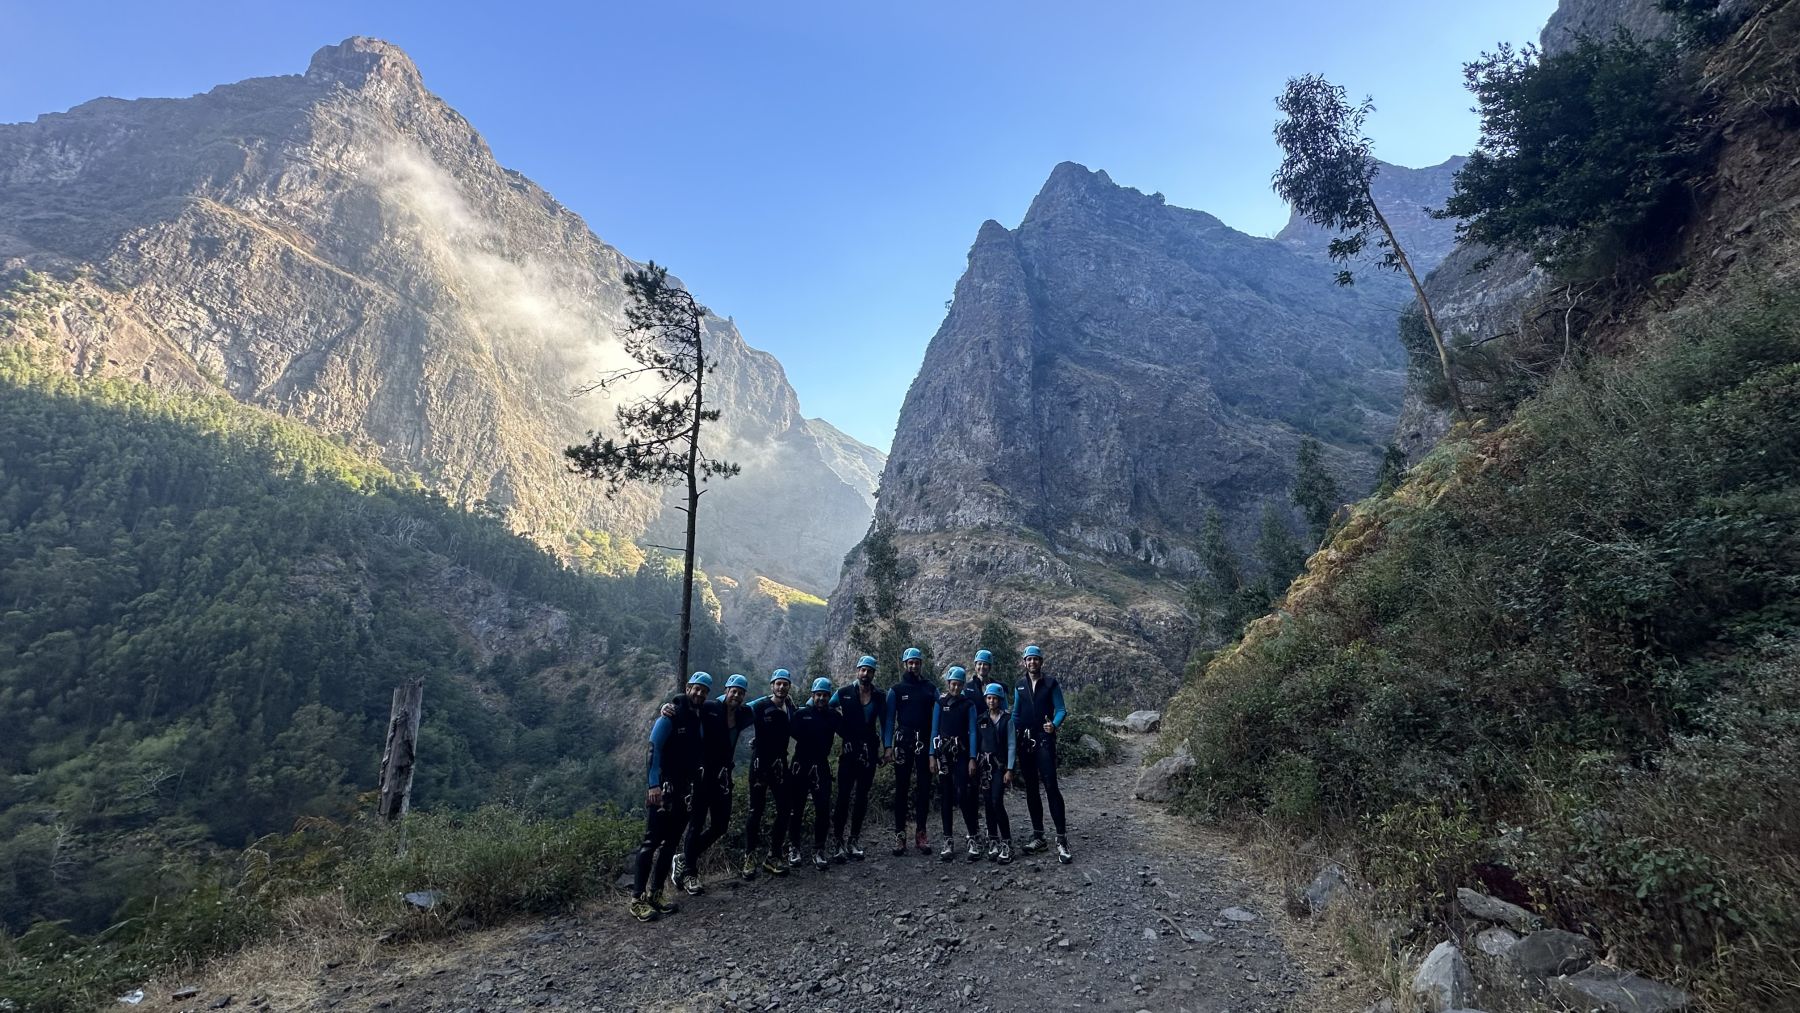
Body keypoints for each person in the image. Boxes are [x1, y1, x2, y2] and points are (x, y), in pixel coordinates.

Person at [628, 673, 705, 921]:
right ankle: (637, 899)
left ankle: (656, 893)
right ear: (687, 688)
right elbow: (653, 749)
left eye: (704, 691)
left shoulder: (697, 718)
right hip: (663, 789)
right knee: (651, 843)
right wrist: (653, 786)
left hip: (683, 791)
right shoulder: (669, 716)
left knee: (670, 844)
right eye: (696, 689)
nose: (699, 694)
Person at [671, 673, 752, 895]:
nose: (736, 695)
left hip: (723, 777)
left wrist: (791, 702)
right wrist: (669, 706)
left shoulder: (744, 713)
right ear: (726, 690)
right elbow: (686, 704)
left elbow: (763, 704)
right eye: (733, 690)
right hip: (702, 776)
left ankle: (684, 857)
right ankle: (690, 873)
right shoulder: (710, 707)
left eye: (740, 692)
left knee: (720, 826)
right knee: (696, 824)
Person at [1013, 645, 1072, 863]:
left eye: (1036, 659)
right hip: (1025, 741)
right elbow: (1016, 713)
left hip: (1045, 740)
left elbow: (1061, 709)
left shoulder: (1051, 683)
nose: (1032, 663)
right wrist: (1009, 734)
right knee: (1030, 788)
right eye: (1029, 659)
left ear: (1041, 662)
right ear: (1024, 662)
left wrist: (1053, 725)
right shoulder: (1020, 685)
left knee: (1051, 786)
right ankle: (1039, 835)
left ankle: (1061, 837)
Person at [829, 656, 887, 862]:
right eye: (863, 670)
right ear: (857, 671)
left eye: (869, 671)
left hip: (869, 751)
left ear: (873, 674)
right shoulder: (843, 693)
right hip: (849, 750)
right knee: (843, 796)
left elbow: (886, 722)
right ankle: (838, 842)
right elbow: (822, 704)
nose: (865, 674)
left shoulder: (879, 696)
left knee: (862, 796)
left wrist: (887, 748)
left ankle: (853, 840)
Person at [743, 669, 798, 878]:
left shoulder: (790, 707)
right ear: (772, 686)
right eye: (778, 684)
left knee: (785, 809)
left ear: (789, 687)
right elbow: (732, 707)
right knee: (755, 811)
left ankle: (773, 856)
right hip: (759, 764)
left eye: (785, 684)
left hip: (780, 764)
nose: (781, 687)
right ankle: (749, 857)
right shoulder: (759, 706)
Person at [883, 647, 936, 855]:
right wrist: (888, 746)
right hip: (903, 741)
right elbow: (888, 719)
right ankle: (900, 836)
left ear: (921, 663)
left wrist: (934, 748)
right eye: (910, 662)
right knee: (902, 789)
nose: (913, 665)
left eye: (917, 662)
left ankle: (921, 834)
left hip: (923, 740)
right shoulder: (896, 690)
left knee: (924, 788)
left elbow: (939, 714)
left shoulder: (930, 688)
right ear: (905, 664)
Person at [789, 677, 842, 870]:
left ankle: (819, 849)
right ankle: (794, 848)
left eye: (825, 695)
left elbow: (848, 731)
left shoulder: (834, 716)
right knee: (796, 809)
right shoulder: (801, 714)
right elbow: (783, 732)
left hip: (820, 765)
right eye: (818, 695)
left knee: (823, 808)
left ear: (829, 697)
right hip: (800, 764)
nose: (821, 698)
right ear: (812, 696)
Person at [930, 665, 982, 861]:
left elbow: (973, 731)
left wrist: (972, 758)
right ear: (948, 683)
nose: (956, 687)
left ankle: (972, 837)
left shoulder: (968, 705)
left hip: (960, 755)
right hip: (943, 755)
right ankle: (948, 839)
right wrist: (931, 755)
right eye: (953, 684)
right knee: (946, 796)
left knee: (963, 794)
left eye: (959, 684)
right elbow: (934, 730)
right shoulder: (940, 702)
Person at [975, 682, 1016, 863]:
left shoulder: (1007, 720)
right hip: (984, 766)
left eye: (995, 698)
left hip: (999, 767)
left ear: (1000, 700)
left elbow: (1011, 745)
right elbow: (976, 743)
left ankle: (1006, 842)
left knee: (996, 801)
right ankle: (993, 839)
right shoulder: (981, 719)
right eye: (989, 698)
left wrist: (1010, 769)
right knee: (988, 803)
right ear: (986, 699)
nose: (992, 701)